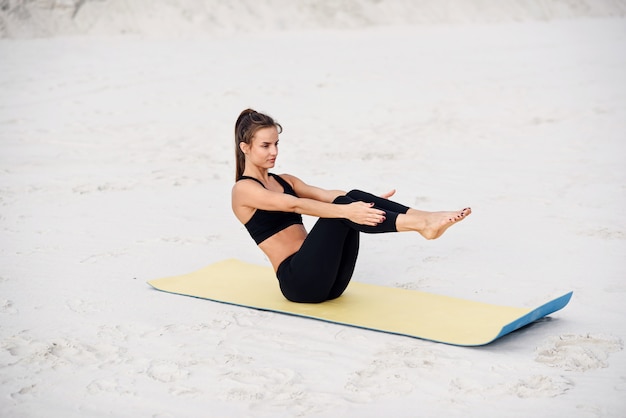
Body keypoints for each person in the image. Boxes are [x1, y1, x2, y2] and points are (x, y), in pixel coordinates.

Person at [231, 109, 471, 303]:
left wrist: (366, 202)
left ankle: (425, 218)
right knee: (343, 209)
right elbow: (295, 205)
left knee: (351, 197)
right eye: (265, 145)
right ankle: (422, 225)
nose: (274, 151)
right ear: (245, 148)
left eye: (276, 144)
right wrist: (347, 210)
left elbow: (329, 195)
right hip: (299, 283)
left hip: (332, 282)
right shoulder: (244, 189)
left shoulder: (285, 180)